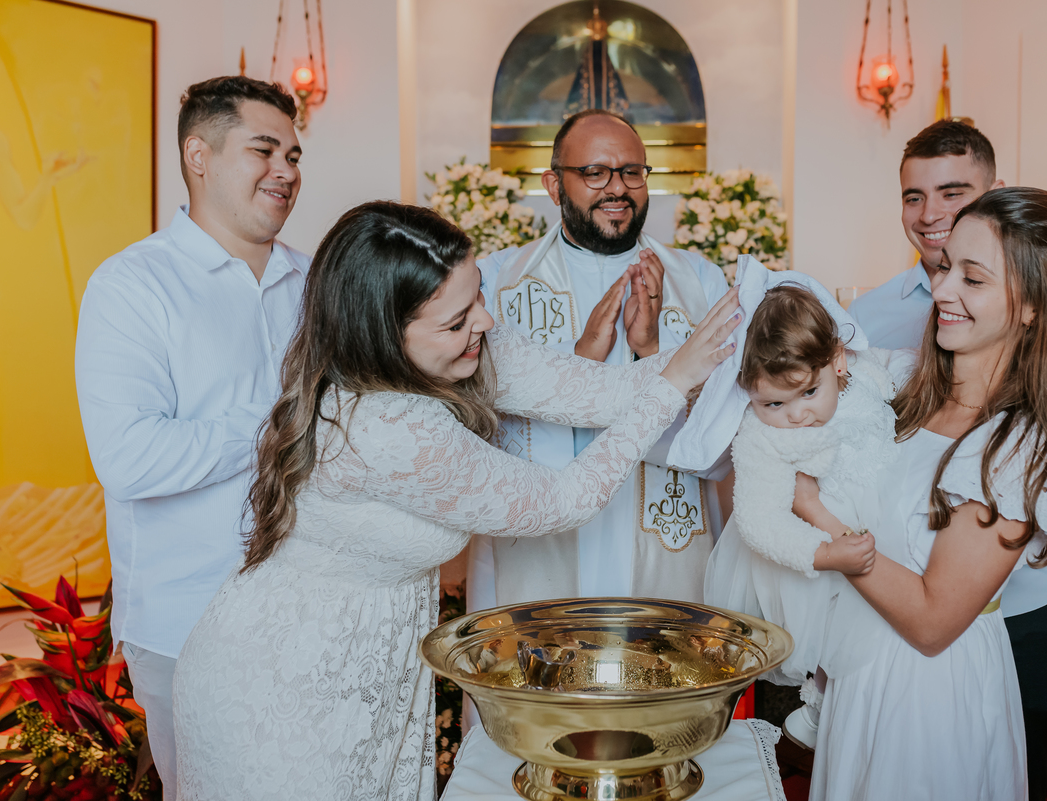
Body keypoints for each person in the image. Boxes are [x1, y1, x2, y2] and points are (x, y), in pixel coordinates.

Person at [171, 201, 741, 800]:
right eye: (456, 320)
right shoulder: (386, 425)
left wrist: (701, 356)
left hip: (374, 656)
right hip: (287, 677)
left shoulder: (465, 344)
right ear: (384, 336)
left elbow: (596, 391)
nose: (486, 322)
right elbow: (564, 500)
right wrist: (675, 381)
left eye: (478, 297)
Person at [848, 120, 1047, 798]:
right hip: (879, 644)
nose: (942, 289)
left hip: (1007, 620)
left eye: (951, 192)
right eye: (914, 196)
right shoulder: (889, 337)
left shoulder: (1018, 441)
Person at [74, 76, 308, 800]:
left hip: (314, 606)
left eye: (294, 155)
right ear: (198, 155)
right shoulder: (133, 285)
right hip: (190, 618)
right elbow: (130, 458)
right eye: (264, 149)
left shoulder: (314, 282)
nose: (286, 170)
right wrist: (284, 419)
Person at [470, 108, 731, 611]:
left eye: (632, 171)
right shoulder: (495, 281)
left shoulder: (701, 282)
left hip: (664, 541)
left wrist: (651, 350)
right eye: (595, 172)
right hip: (542, 540)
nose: (617, 188)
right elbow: (478, 426)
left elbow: (724, 445)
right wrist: (580, 359)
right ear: (554, 185)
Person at [702, 278, 903, 750]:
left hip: (883, 524)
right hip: (810, 554)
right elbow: (760, 521)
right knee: (837, 624)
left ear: (838, 361)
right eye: (773, 402)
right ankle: (820, 702)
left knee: (885, 626)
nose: (795, 415)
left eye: (809, 392)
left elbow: (900, 373)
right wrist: (826, 554)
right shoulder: (763, 437)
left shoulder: (866, 380)